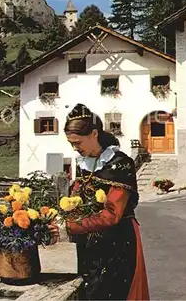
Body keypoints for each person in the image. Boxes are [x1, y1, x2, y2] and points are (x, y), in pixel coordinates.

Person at [63, 103, 150, 300]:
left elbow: (112, 214)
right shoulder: (84, 163)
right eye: (71, 144)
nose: (75, 148)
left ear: (94, 134)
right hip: (88, 242)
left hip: (117, 242)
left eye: (77, 143)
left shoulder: (119, 164)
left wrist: (69, 226)